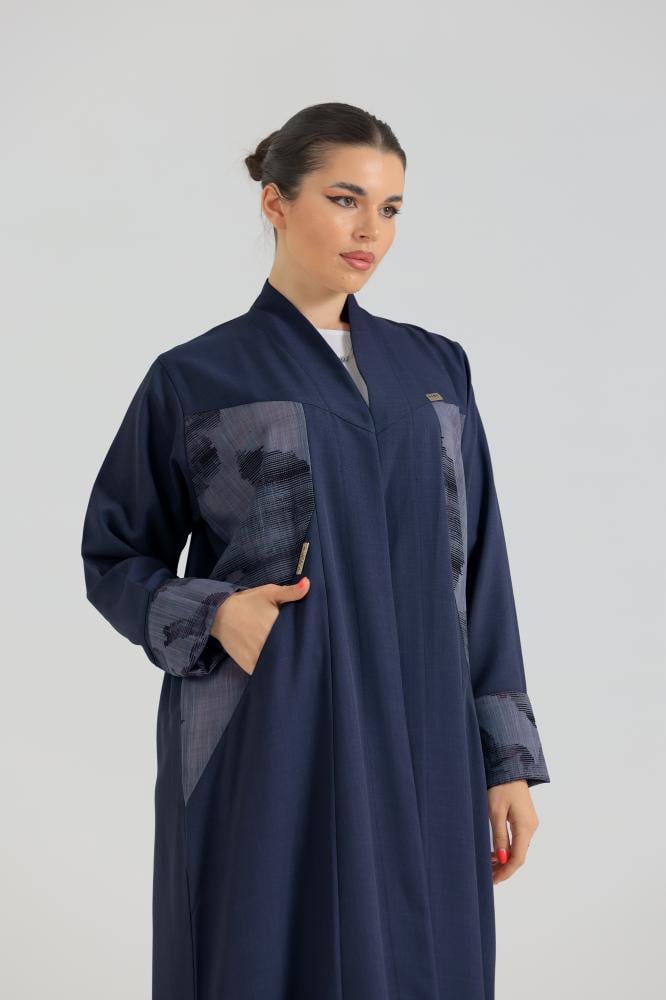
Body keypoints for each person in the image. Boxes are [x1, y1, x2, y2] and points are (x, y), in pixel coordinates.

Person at [81, 101, 550, 1000]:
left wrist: (508, 763)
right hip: (273, 725)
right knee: (268, 955)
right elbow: (114, 554)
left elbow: (482, 571)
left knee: (425, 960)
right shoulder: (197, 376)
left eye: (390, 208)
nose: (371, 230)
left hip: (426, 732)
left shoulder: (437, 371)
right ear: (276, 202)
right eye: (345, 199)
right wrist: (217, 612)